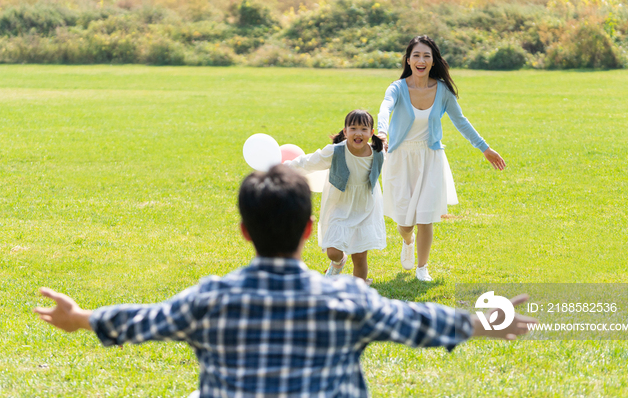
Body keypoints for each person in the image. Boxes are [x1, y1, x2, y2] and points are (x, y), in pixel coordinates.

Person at [34, 165, 534, 398]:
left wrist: (80, 318)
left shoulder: (212, 298)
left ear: (245, 231)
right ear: (310, 230)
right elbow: (419, 322)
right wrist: (482, 324)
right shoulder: (347, 298)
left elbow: (144, 320)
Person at [377, 35, 506, 282]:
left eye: (427, 56)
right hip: (400, 156)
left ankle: (422, 268)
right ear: (408, 60)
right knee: (405, 220)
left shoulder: (443, 91)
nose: (421, 60)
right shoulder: (397, 87)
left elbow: (461, 121)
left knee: (426, 216)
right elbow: (385, 107)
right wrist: (382, 131)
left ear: (434, 61)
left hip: (431, 157)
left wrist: (484, 148)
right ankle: (407, 240)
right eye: (416, 55)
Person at [283, 110, 385, 283]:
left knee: (360, 256)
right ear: (345, 132)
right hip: (340, 204)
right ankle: (338, 262)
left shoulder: (377, 153)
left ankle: (359, 288)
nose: (358, 133)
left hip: (365, 207)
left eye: (363, 128)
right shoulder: (336, 151)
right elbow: (309, 161)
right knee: (333, 251)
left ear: (371, 132)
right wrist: (285, 167)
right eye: (353, 128)